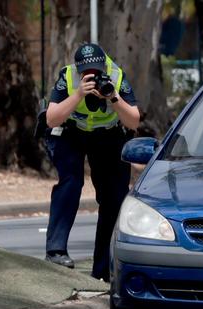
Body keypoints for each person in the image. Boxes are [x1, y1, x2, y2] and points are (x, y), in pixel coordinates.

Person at [44, 43, 140, 281]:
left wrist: (114, 98)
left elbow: (134, 122)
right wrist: (78, 94)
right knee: (71, 182)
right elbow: (51, 119)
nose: (92, 75)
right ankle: (56, 251)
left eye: (96, 70)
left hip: (108, 135)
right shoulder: (68, 76)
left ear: (104, 64)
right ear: (78, 69)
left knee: (114, 195)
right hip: (72, 133)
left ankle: (103, 265)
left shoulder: (116, 76)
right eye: (86, 72)